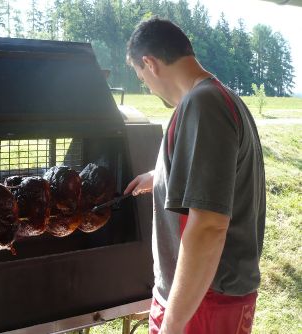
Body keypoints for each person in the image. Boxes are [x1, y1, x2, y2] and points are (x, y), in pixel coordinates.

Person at [124, 18, 266, 334]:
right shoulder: (218, 97)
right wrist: (160, 175)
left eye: (141, 77)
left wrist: (172, 325)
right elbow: (216, 175)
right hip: (202, 299)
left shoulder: (203, 104)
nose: (146, 86)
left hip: (202, 303)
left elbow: (209, 226)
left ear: (150, 63)